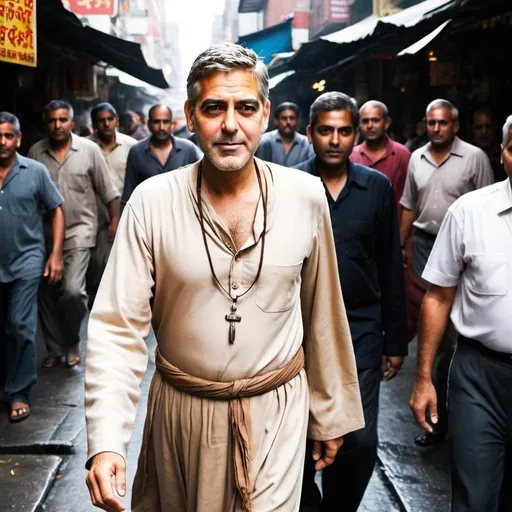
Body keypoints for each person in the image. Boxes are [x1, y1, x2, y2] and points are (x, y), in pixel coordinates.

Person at [84, 43, 364, 512]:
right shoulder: (152, 203)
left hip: (277, 412)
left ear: (266, 114)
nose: (230, 124)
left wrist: (329, 412)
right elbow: (117, 328)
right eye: (214, 108)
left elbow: (324, 313)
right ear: (191, 115)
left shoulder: (304, 196)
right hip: (181, 414)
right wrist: (108, 439)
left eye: (246, 108)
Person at [296, 92, 407, 511]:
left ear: (355, 135)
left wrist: (395, 341)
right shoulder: (291, 185)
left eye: (344, 131)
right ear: (311, 134)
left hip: (360, 327)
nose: (335, 140)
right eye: (326, 130)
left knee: (359, 439)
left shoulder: (376, 188)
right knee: (302, 434)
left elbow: (389, 266)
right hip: (300, 327)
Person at [410, 114, 512, 512]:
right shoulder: (470, 212)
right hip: (478, 376)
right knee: (475, 497)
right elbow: (437, 296)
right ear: (502, 154)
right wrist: (423, 380)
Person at [400, 98, 494, 447]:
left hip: (465, 251)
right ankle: (438, 417)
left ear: (455, 125)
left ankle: (460, 412)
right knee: (433, 323)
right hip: (426, 244)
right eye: (431, 123)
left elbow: (490, 205)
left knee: (455, 335)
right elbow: (409, 205)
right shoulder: (416, 158)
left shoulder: (474, 158)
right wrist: (399, 246)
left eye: (443, 123)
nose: (436, 128)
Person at [28, 100, 120, 369]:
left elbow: (108, 189)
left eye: (62, 120)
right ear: (46, 124)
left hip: (80, 231)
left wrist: (114, 219)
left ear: (71, 123)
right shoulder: (36, 152)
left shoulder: (89, 150)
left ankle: (71, 340)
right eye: (52, 121)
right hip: (42, 233)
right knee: (45, 292)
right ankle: (55, 349)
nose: (57, 125)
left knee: (71, 292)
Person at [0, 112, 64, 423]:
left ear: (19, 139)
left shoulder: (34, 171)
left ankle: (18, 393)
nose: (3, 142)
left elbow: (56, 210)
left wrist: (55, 255)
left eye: (8, 136)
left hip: (26, 260)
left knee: (20, 324)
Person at [87, 103, 137, 307]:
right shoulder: (85, 147)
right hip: (93, 212)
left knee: (120, 262)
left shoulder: (132, 146)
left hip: (124, 211)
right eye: (101, 120)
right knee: (97, 264)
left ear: (116, 120)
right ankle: (97, 302)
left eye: (109, 119)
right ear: (94, 124)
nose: (106, 124)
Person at [121, 104, 202, 206]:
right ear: (148, 124)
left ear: (172, 124)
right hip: (148, 217)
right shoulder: (137, 152)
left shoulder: (188, 150)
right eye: (156, 122)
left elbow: (201, 188)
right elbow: (128, 194)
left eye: (166, 122)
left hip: (182, 216)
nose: (161, 127)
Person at [351, 100, 411, 207]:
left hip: (394, 221)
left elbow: (410, 199)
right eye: (365, 121)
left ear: (387, 122)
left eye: (375, 120)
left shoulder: (403, 155)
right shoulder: (351, 156)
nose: (370, 125)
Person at [256, 101, 314, 166]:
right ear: (276, 121)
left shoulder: (307, 143)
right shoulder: (263, 141)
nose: (288, 122)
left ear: (298, 121)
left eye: (292, 118)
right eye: (284, 118)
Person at [471, 107, 506, 182]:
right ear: (472, 129)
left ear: (495, 128)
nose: (484, 132)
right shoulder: (467, 157)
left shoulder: (506, 156)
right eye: (479, 127)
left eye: (489, 127)